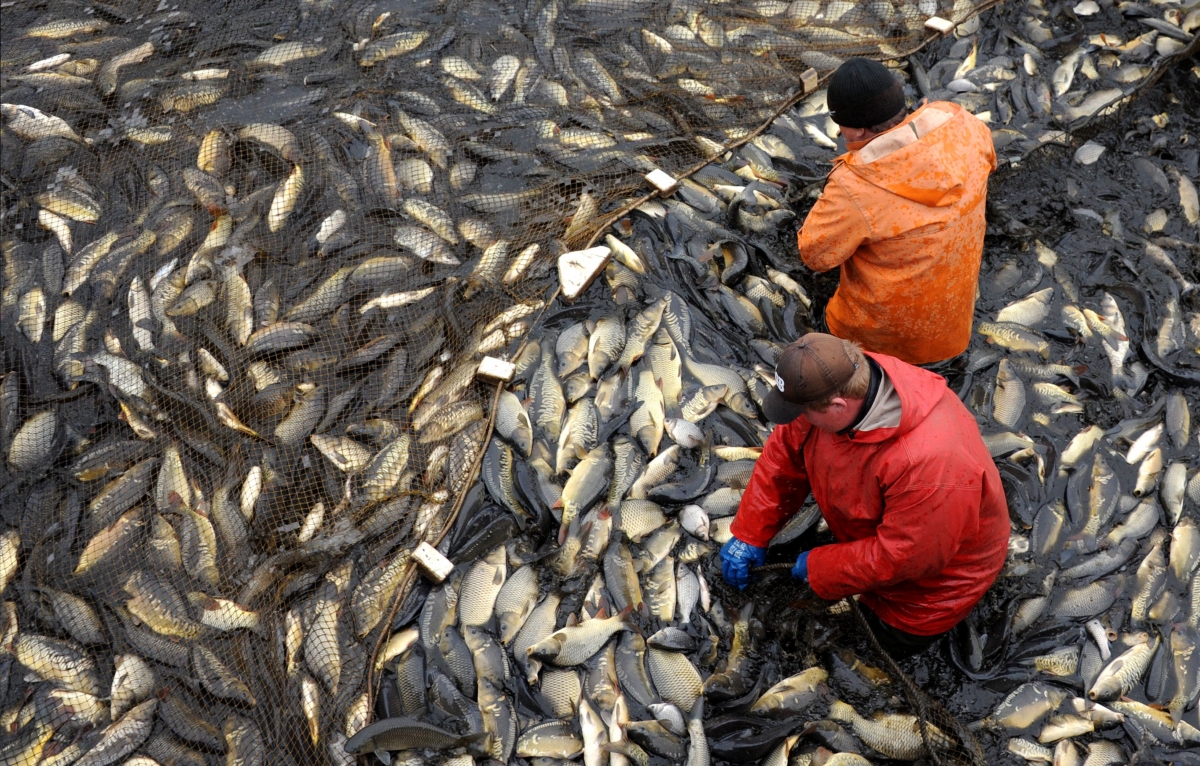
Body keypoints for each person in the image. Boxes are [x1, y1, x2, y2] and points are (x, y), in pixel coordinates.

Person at [719, 333, 1008, 657]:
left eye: (802, 410)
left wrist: (821, 568)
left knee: (866, 654)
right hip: (873, 535)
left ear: (837, 407)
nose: (797, 418)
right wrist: (750, 532)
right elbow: (784, 456)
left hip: (927, 591)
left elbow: (906, 558)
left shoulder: (931, 465)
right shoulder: (844, 376)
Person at [798, 58, 998, 366]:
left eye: (842, 128)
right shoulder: (962, 123)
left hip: (877, 345)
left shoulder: (854, 186)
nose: (840, 134)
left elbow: (815, 256)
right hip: (954, 335)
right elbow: (990, 163)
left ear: (859, 129)